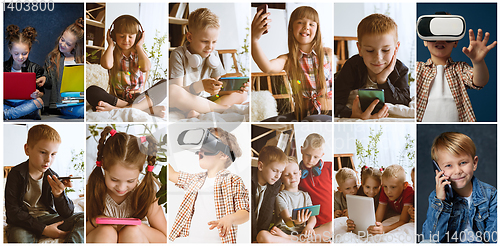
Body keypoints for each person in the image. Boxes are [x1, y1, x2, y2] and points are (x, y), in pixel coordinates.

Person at [86, 126, 167, 243]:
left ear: (141, 170)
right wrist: (95, 222)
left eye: (130, 181)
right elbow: (80, 230)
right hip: (101, 237)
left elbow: (164, 239)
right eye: (114, 179)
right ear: (103, 165)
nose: (121, 188)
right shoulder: (93, 190)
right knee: (106, 231)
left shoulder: (145, 194)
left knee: (132, 231)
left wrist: (136, 226)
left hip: (135, 238)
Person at [252, 6, 333, 122]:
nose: (306, 27)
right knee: (261, 126)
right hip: (301, 116)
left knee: (312, 120)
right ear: (291, 28)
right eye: (300, 22)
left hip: (327, 114)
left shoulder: (327, 53)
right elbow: (267, 67)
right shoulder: (288, 59)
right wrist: (254, 40)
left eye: (311, 24)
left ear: (317, 29)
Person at [169, 128, 249, 243]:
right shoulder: (196, 179)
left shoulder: (233, 180)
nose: (201, 150)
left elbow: (245, 213)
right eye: (201, 146)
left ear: (223, 155)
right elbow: (171, 174)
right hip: (193, 241)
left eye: (208, 145)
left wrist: (230, 218)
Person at [5, 124, 84, 243]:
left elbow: (67, 213)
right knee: (18, 239)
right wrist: (44, 230)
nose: (48, 160)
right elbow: (13, 212)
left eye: (53, 154)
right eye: (43, 152)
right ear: (27, 149)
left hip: (47, 217)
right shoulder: (15, 174)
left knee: (83, 217)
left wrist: (59, 195)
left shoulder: (53, 176)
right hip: (22, 222)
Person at [169, 8, 248, 118]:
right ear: (190, 37)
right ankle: (223, 109)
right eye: (205, 41)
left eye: (214, 42)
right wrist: (199, 86)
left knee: (243, 94)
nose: (210, 47)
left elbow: (216, 91)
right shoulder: (178, 54)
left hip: (205, 100)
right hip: (188, 100)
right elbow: (177, 90)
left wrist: (235, 88)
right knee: (173, 92)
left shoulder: (213, 55)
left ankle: (201, 111)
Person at [417, 16, 497, 122]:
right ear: (425, 41)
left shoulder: (460, 68)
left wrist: (478, 62)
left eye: (447, 35)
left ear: (455, 42)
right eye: (434, 35)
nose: (440, 40)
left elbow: (479, 82)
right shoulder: (418, 68)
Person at [86, 15, 167, 118]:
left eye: (130, 36)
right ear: (113, 36)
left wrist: (139, 46)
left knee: (165, 85)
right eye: (121, 36)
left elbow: (145, 67)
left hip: (138, 98)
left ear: (137, 37)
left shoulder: (140, 53)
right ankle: (141, 109)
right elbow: (107, 64)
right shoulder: (112, 53)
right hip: (117, 99)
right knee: (91, 91)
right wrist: (110, 44)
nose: (126, 40)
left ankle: (118, 109)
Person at [422, 132, 496, 242]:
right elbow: (430, 238)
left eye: (463, 163)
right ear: (437, 170)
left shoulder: (491, 195)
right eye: (448, 165)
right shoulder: (436, 198)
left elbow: (495, 237)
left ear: (474, 163)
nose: (457, 171)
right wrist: (441, 202)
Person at [334, 13, 410, 120]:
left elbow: (404, 102)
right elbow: (335, 102)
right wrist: (352, 114)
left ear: (396, 48)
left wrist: (382, 80)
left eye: (385, 50)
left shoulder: (401, 70)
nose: (378, 57)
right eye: (370, 50)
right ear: (360, 49)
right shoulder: (352, 66)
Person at [257, 157, 320, 243]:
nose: (292, 177)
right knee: (262, 235)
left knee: (330, 226)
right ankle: (296, 240)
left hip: (302, 233)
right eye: (287, 175)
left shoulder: (305, 195)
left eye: (295, 173)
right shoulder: (280, 196)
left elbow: (313, 217)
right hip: (283, 232)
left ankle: (293, 240)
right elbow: (288, 221)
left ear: (300, 174)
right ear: (281, 178)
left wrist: (309, 227)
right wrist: (296, 222)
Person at [4, 25, 47, 120]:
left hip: (26, 103)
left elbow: (42, 93)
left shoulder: (35, 68)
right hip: (6, 103)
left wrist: (38, 94)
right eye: (16, 54)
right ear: (10, 50)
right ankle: (20, 113)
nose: (20, 57)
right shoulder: (3, 67)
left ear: (29, 50)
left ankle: (7, 114)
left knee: (39, 101)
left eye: (24, 53)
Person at [45, 18, 84, 118]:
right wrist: (43, 79)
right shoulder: (53, 58)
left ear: (75, 46)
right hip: (61, 104)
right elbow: (48, 81)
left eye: (68, 44)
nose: (62, 44)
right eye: (62, 39)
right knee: (81, 112)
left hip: (79, 101)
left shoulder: (81, 60)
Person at [297, 133, 332, 241]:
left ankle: (291, 239)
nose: (311, 160)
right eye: (307, 154)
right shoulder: (296, 174)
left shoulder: (329, 167)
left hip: (330, 224)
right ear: (301, 150)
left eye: (316, 157)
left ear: (322, 155)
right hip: (311, 226)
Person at [252, 145, 288, 242]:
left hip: (259, 232)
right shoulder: (249, 181)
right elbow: (249, 211)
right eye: (274, 170)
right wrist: (253, 239)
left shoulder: (275, 183)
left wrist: (260, 235)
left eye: (280, 172)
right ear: (260, 166)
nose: (277, 176)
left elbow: (267, 210)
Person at [367, 164, 414, 234]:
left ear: (404, 185)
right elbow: (378, 218)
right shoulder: (384, 190)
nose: (388, 191)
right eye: (385, 186)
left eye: (393, 187)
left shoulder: (409, 192)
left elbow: (403, 220)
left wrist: (384, 229)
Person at [346, 166, 383, 232]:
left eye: (375, 187)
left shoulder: (382, 194)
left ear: (381, 185)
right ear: (362, 184)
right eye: (368, 187)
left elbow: (377, 219)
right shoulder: (360, 192)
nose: (371, 191)